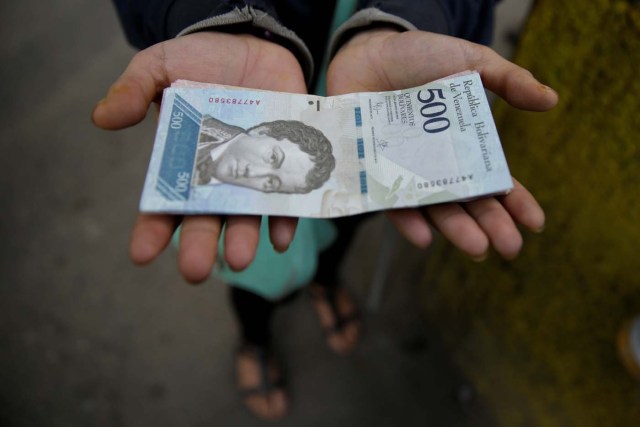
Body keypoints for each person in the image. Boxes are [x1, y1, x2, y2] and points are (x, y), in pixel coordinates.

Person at [93, 0, 559, 420]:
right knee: (253, 267)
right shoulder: (209, 139)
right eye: (273, 162)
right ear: (265, 128)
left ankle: (326, 280)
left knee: (343, 221)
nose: (260, 178)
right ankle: (255, 338)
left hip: (369, 74)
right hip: (255, 52)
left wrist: (407, 17)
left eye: (276, 183)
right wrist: (214, 16)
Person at [195, 117, 336, 193]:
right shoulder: (196, 123)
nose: (253, 173)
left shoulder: (202, 194)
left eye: (271, 182)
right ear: (261, 131)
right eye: (272, 157)